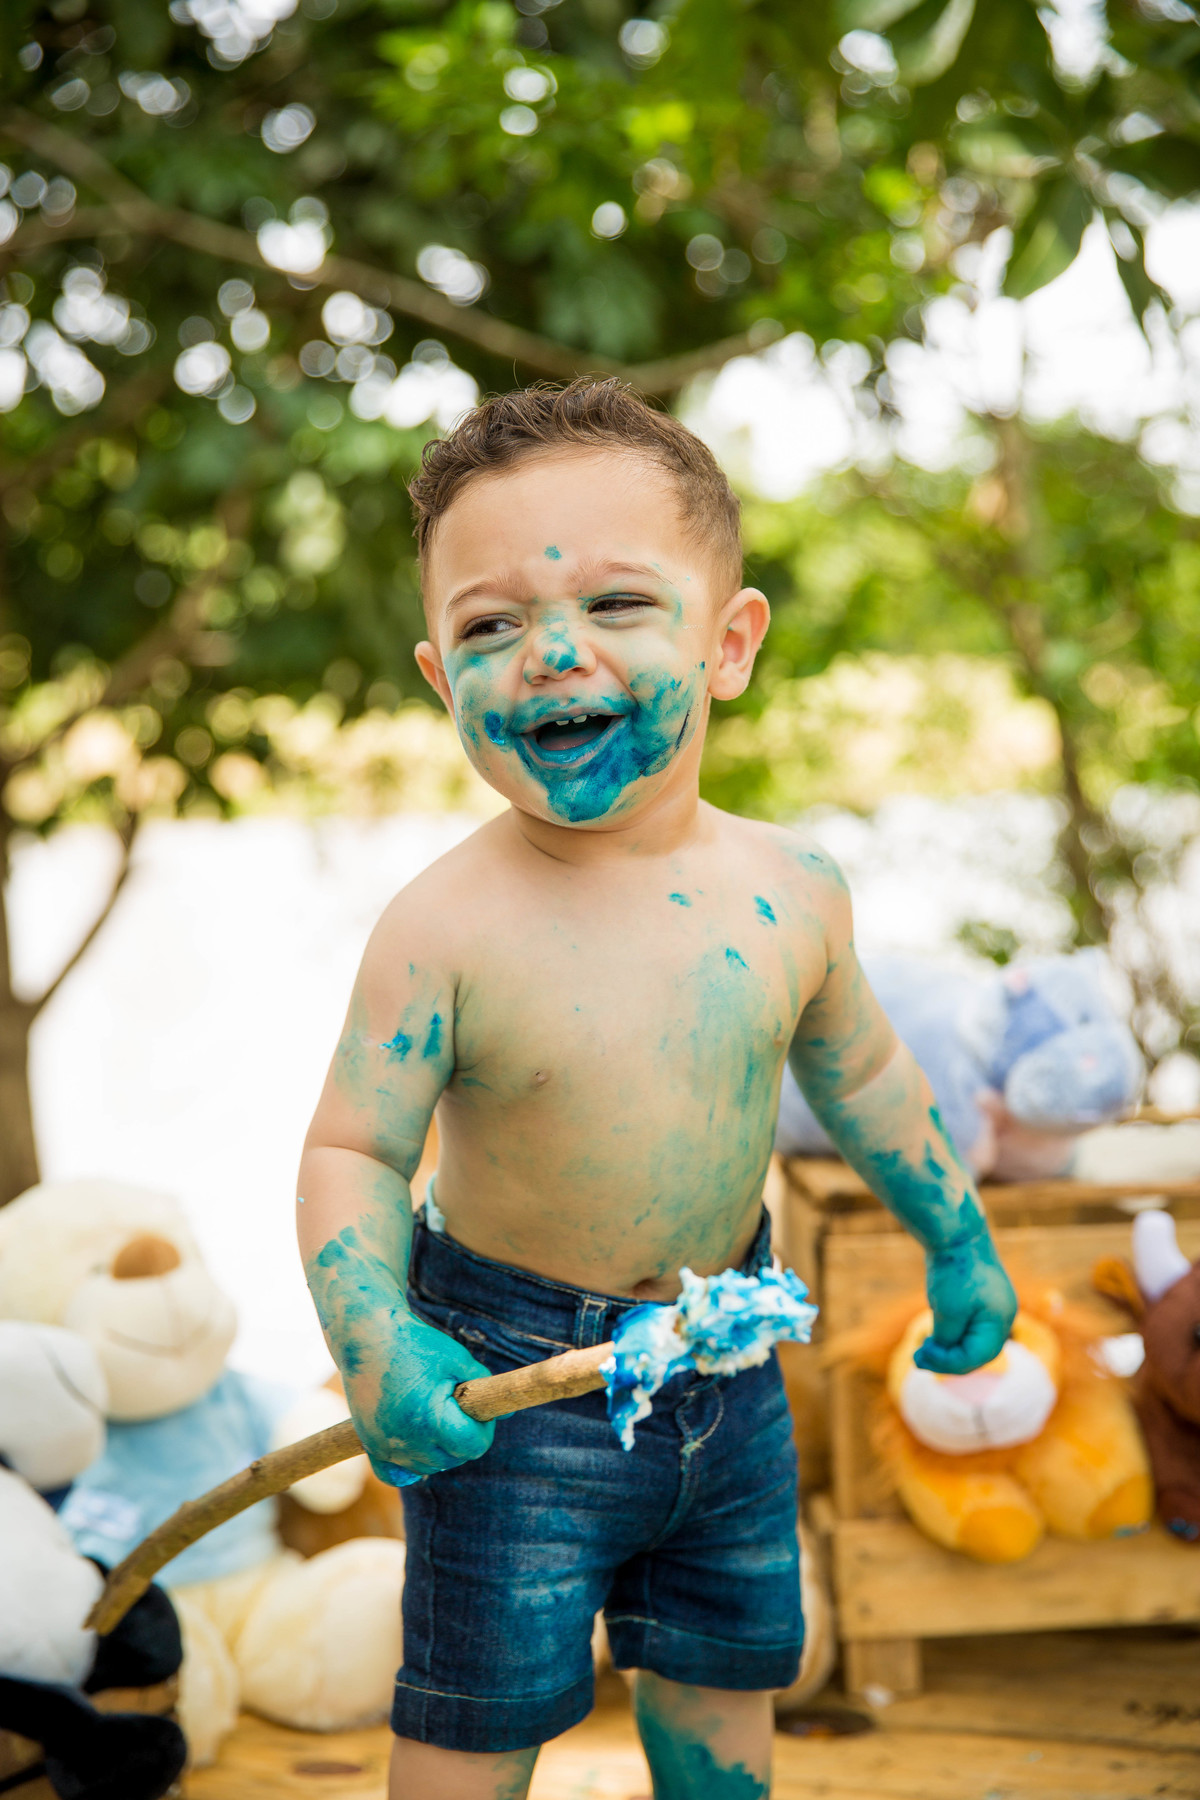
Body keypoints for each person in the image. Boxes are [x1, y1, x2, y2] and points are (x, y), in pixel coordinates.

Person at [296, 379, 1017, 1800]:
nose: (553, 654)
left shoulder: (791, 891)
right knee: (474, 1714)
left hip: (724, 1357)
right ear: (443, 680)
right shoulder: (444, 930)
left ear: (727, 641)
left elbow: (863, 1071)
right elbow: (356, 1154)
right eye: (492, 626)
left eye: (618, 606)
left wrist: (958, 1238)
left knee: (727, 1669)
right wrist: (373, 1327)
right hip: (505, 1383)